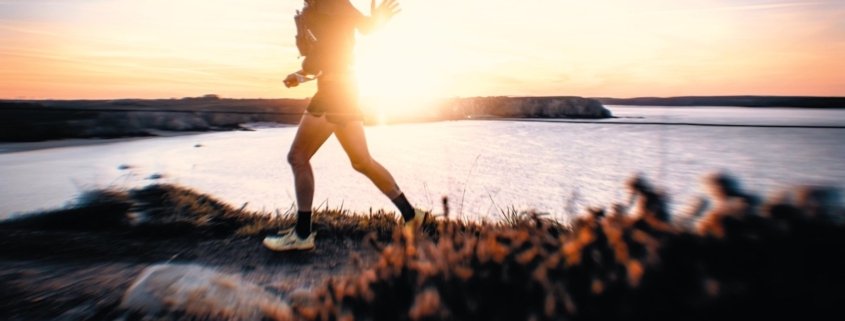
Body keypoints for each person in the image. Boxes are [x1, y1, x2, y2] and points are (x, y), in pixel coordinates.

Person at [263, 0, 423, 252]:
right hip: (345, 89)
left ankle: (302, 234)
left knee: (298, 156)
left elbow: (331, 51)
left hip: (334, 93)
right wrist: (302, 75)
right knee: (361, 161)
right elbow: (343, 46)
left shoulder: (328, 5)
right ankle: (412, 215)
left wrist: (304, 71)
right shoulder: (329, 6)